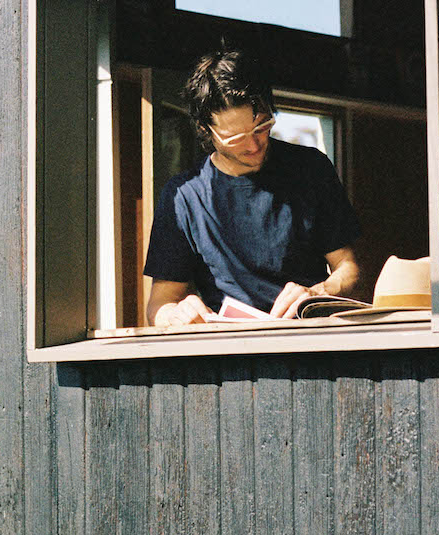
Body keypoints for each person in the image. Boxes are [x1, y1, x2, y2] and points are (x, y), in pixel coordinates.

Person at [144, 48, 361, 328]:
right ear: (203, 129)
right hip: (231, 349)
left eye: (261, 126)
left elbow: (350, 268)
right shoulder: (184, 196)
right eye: (234, 138)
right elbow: (159, 304)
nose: (253, 145)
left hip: (308, 336)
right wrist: (176, 313)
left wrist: (318, 294)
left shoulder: (310, 168)